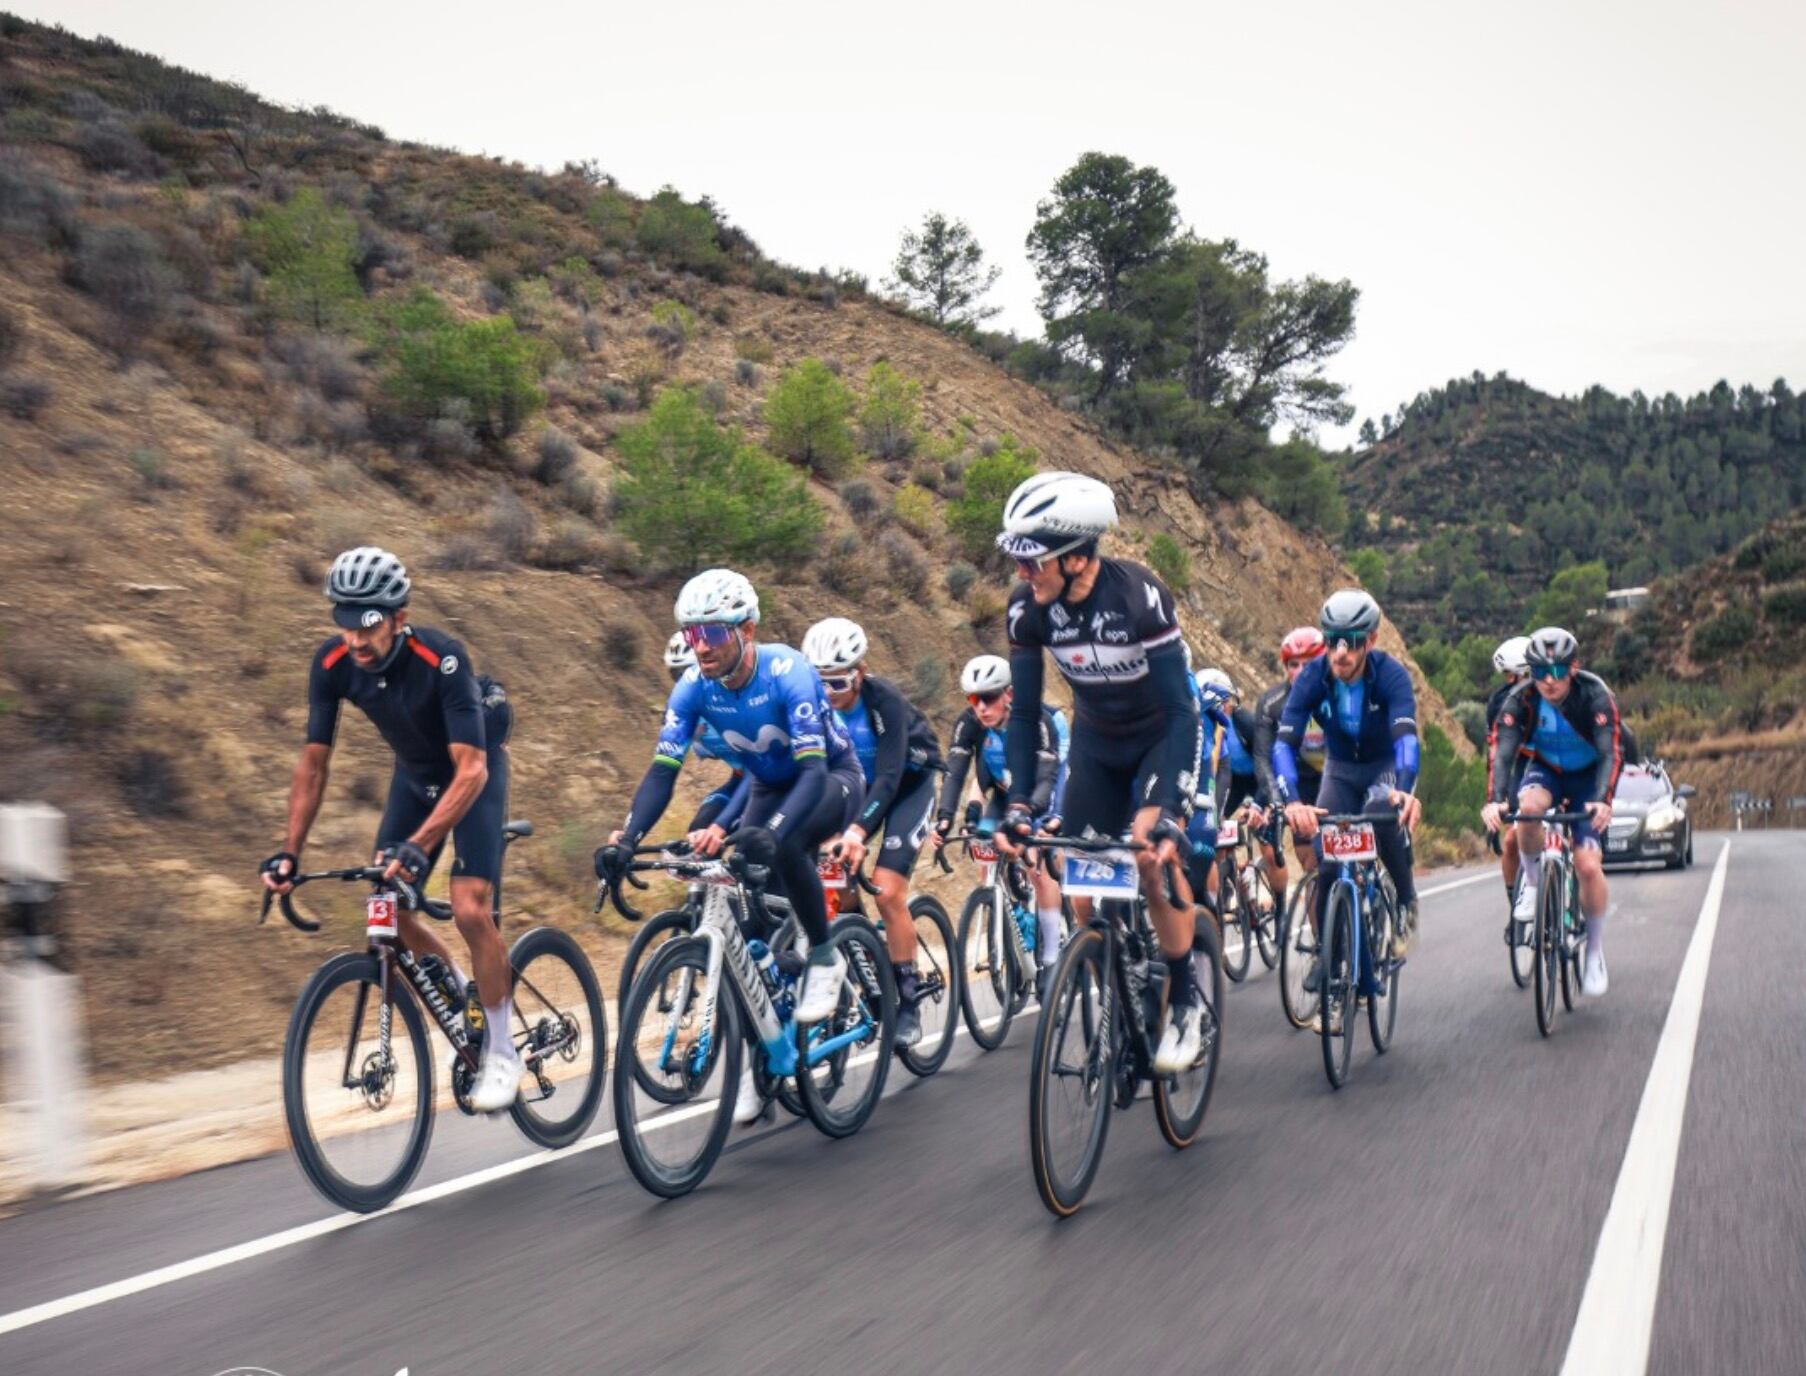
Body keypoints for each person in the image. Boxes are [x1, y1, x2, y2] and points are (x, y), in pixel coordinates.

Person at [597, 570, 866, 1122]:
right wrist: (627, 838)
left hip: (831, 778)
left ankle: (822, 955)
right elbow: (661, 772)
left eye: (713, 634)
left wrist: (774, 830)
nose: (701, 648)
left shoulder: (787, 669)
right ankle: (761, 1039)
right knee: (739, 914)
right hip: (768, 785)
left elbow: (813, 774)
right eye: (691, 635)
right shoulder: (693, 688)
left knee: (782, 847)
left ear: (747, 629)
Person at [261, 547, 523, 1111]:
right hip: (414, 776)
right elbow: (313, 764)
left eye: (368, 623)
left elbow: (472, 769)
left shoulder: (442, 659)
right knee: (387, 903)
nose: (354, 638)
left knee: (469, 907)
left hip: (471, 772)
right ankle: (459, 983)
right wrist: (288, 853)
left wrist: (420, 844)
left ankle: (502, 1050)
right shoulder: (332, 665)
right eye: (344, 621)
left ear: (398, 618)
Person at [994, 471, 1205, 1074]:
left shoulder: (1139, 596)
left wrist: (1174, 811)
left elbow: (1182, 710)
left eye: (1032, 561)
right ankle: (1120, 983)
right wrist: (1018, 804)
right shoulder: (1027, 611)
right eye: (1016, 560)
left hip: (1158, 739)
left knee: (1144, 854)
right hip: (1095, 745)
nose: (1021, 574)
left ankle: (1185, 995)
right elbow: (1027, 714)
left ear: (1079, 556)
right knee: (1079, 885)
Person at [802, 617, 944, 1049]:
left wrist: (859, 831)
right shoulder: (810, 706)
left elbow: (887, 775)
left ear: (860, 673)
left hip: (907, 786)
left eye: (840, 683)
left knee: (886, 891)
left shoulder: (885, 701)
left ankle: (907, 1001)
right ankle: (865, 950)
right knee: (833, 875)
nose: (830, 693)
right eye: (820, 683)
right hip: (857, 787)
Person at [1275, 589, 1423, 988]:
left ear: (1371, 640)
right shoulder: (1312, 676)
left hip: (1383, 767)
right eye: (1333, 641)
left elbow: (1406, 737)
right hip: (1340, 770)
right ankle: (1331, 955)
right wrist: (1292, 802)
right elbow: (1283, 743)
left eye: (1352, 642)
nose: (1340, 653)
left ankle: (1406, 899)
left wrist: (1405, 788)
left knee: (1379, 813)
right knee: (1325, 853)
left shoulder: (1390, 674)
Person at [1482, 627, 1623, 997]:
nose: (1549, 682)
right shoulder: (1520, 699)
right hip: (1546, 771)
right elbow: (1503, 752)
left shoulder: (1595, 695)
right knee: (1527, 810)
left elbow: (1611, 752)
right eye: (1540, 672)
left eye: (1557, 672)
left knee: (1589, 866)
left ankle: (1593, 952)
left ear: (1573, 668)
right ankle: (1531, 883)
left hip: (1588, 779)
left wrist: (1604, 799)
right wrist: (1495, 799)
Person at [932, 654, 1070, 996]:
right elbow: (958, 772)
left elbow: (1050, 775)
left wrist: (1037, 820)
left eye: (988, 698)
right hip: (1005, 793)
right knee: (985, 858)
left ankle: (1051, 957)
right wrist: (948, 816)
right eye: (972, 699)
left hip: (1042, 790)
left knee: (1038, 867)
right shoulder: (970, 724)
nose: (980, 707)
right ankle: (1012, 914)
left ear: (1009, 694)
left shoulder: (1035, 720)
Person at [1252, 627, 1327, 915]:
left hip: (1338, 782)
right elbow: (1263, 758)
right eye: (1293, 664)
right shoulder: (1271, 704)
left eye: (1308, 664)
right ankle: (1324, 951)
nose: (1300, 671)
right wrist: (1275, 800)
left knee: (1350, 860)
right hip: (1299, 788)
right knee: (1312, 865)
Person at [1485, 635, 1532, 943]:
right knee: (1513, 837)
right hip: (1517, 767)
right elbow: (1495, 756)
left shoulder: (1559, 696)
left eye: (1513, 676)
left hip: (1552, 766)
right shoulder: (1499, 702)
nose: (1509, 683)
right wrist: (1493, 802)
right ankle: (1516, 911)